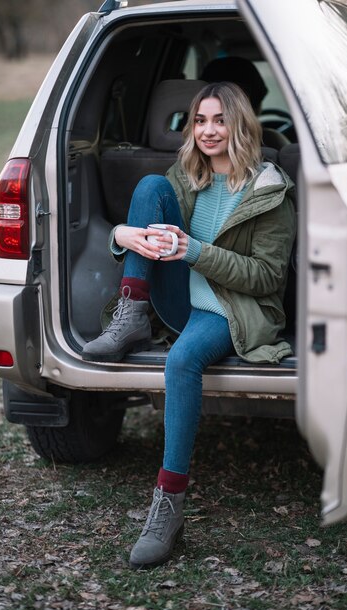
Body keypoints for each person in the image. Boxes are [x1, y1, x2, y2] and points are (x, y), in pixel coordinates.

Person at [82, 82, 296, 569]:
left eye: (219, 119)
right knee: (148, 187)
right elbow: (146, 229)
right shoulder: (186, 177)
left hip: (232, 309)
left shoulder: (270, 191)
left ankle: (168, 504)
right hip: (179, 299)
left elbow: (267, 278)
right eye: (199, 121)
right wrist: (121, 234)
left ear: (240, 123)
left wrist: (196, 251)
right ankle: (132, 314)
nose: (208, 130)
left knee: (181, 360)